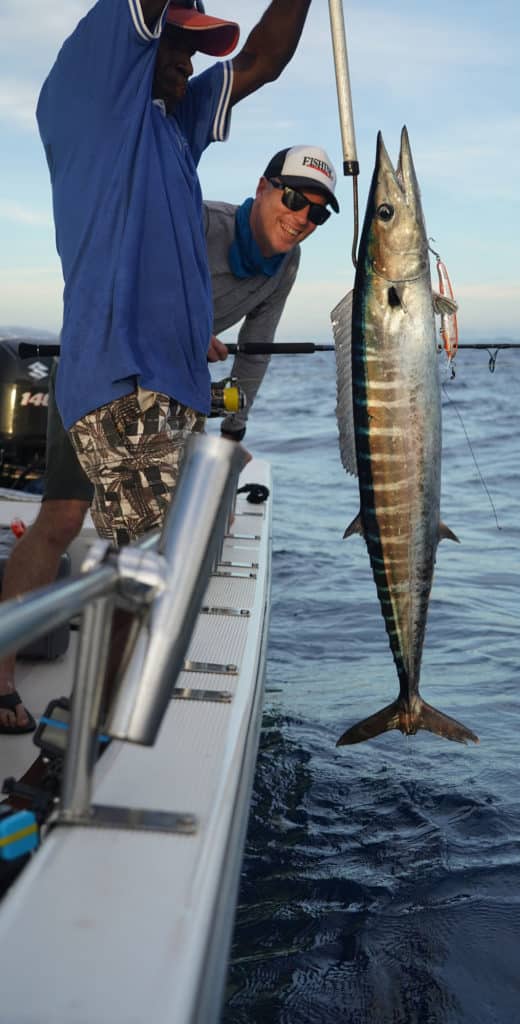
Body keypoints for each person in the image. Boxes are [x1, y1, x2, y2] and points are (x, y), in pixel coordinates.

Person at [0, 145, 339, 733]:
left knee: (159, 541)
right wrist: (180, 322)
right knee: (60, 521)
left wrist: (231, 441)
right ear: (262, 188)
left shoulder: (286, 263)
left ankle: (109, 698)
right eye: (293, 198)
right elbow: (107, 281)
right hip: (97, 368)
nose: (302, 217)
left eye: (318, 213)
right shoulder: (192, 221)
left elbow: (253, 354)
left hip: (170, 390)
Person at [35, 0, 312, 553]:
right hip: (126, 381)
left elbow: (265, 57)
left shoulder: (176, 123)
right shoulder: (99, 91)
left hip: (172, 388)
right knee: (151, 570)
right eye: (179, 43)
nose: (190, 61)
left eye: (197, 48)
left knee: (158, 571)